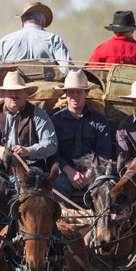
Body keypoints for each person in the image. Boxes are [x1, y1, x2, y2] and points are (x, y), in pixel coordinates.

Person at [0, 69, 57, 170]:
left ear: (25, 93)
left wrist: (28, 151)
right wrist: (0, 151)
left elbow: (51, 144)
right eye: (10, 91)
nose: (14, 94)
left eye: (18, 90)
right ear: (3, 94)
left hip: (29, 170)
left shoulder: (38, 115)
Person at [50, 69, 111, 202]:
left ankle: (101, 221)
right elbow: (53, 153)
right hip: (65, 174)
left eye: (79, 92)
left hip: (93, 173)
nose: (75, 96)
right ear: (65, 94)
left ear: (86, 92)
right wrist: (69, 171)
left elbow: (104, 151)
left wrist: (90, 172)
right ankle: (62, 220)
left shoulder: (99, 120)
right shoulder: (55, 121)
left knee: (105, 189)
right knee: (55, 188)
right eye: (71, 92)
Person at [0, 2, 74, 71]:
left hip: (13, 91)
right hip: (46, 92)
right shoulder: (54, 39)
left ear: (22, 22)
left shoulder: (5, 41)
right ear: (43, 22)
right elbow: (66, 68)